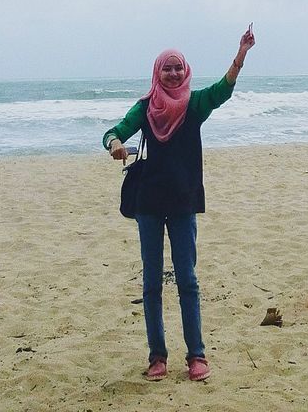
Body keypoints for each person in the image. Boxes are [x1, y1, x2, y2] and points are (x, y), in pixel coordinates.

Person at [103, 25, 255, 382]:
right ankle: (157, 357)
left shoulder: (195, 105)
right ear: (158, 72)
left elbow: (224, 89)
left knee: (187, 280)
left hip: (184, 201)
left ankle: (196, 355)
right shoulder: (145, 107)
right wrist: (114, 146)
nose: (172, 73)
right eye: (166, 68)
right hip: (149, 204)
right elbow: (113, 132)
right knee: (152, 282)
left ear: (185, 71)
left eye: (177, 67)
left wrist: (241, 53)